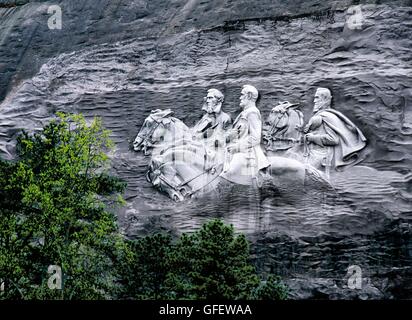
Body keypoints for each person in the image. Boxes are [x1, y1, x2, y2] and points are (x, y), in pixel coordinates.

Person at [304, 87, 367, 174]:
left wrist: (313, 138)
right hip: (311, 153)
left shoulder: (326, 116)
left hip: (320, 156)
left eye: (317, 97)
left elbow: (333, 139)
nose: (314, 101)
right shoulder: (322, 115)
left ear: (324, 99)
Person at [221, 85, 270, 185]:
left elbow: (255, 138)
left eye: (242, 95)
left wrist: (237, 147)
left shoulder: (252, 113)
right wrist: (225, 137)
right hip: (236, 150)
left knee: (229, 174)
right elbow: (238, 131)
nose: (240, 97)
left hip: (248, 152)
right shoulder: (244, 113)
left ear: (249, 96)